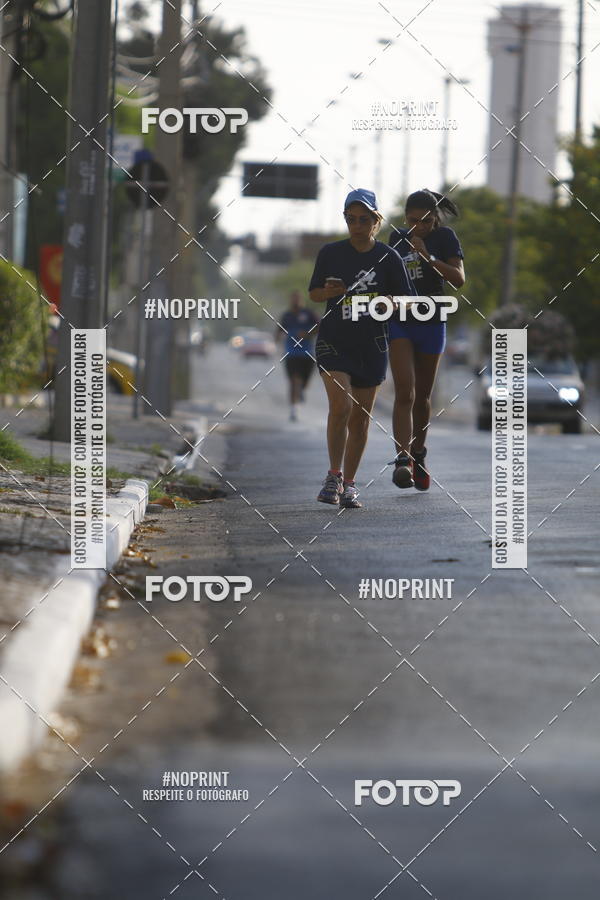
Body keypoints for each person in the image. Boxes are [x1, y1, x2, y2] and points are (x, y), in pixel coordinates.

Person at [308, 188, 414, 509]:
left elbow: (407, 302)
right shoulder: (330, 252)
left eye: (363, 219)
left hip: (372, 345)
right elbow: (313, 294)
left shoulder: (388, 257)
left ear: (375, 221)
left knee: (361, 418)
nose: (356, 225)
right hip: (334, 340)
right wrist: (328, 292)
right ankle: (333, 475)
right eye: (350, 219)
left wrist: (387, 302)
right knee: (341, 407)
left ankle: (350, 484)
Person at [387, 188, 466, 490]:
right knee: (404, 392)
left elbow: (458, 279)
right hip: (400, 320)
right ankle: (402, 460)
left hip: (432, 319)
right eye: (411, 221)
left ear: (434, 218)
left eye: (424, 221)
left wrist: (427, 255)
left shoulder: (445, 238)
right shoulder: (396, 238)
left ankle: (419, 453)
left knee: (422, 396)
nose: (416, 227)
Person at [276, 290, 319, 421]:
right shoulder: (287, 315)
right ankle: (294, 410)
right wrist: (276, 340)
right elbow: (279, 330)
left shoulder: (309, 314)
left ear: (302, 300)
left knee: (304, 383)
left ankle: (302, 390)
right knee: (294, 381)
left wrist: (307, 333)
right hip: (291, 353)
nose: (295, 301)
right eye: (293, 298)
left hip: (307, 353)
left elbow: (319, 327)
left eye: (297, 298)